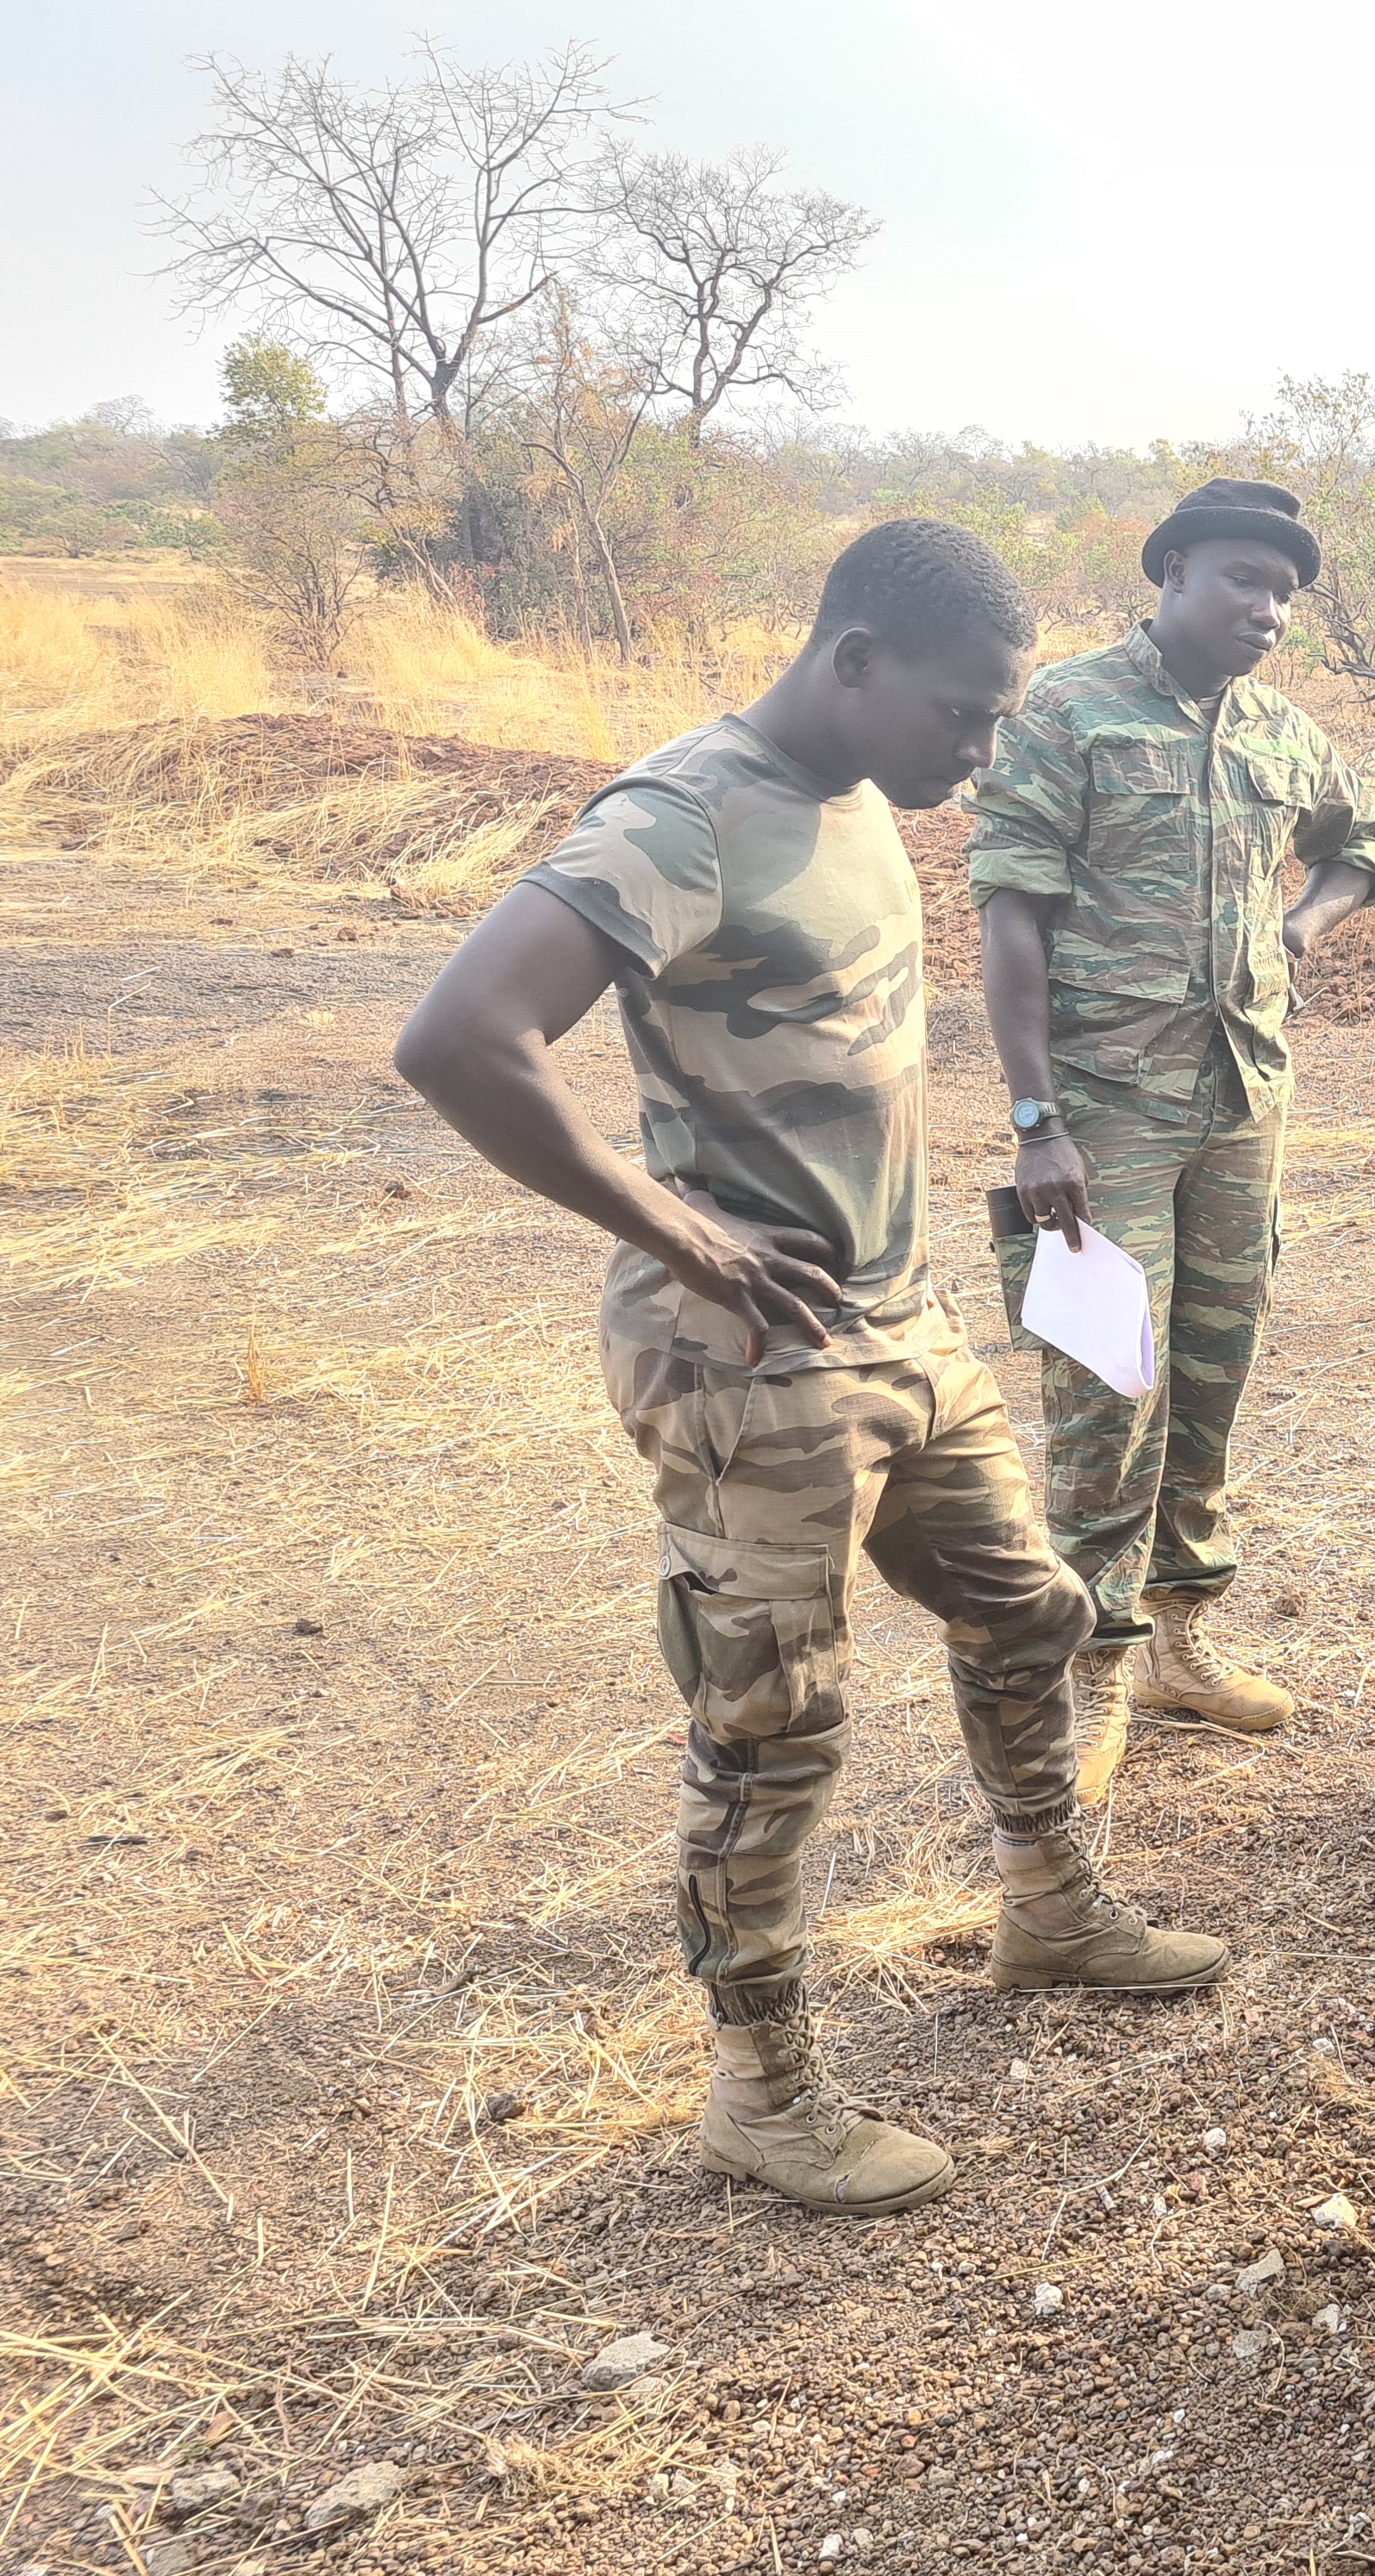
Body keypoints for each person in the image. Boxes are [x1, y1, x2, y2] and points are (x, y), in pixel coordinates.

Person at [394, 520, 1229, 2222]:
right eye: (961, 714)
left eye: (1000, 722)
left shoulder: (858, 799)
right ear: (852, 660)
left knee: (1037, 1612)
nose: (981, 754)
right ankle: (761, 2088)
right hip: (749, 1353)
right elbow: (458, 1037)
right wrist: (684, 1237)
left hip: (897, 1323)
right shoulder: (684, 815)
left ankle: (1047, 1904)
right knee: (774, 1722)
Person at [970, 477, 1375, 1791]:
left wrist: (1297, 929)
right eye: (1240, 580)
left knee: (1213, 1367)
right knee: (1106, 1385)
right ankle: (1090, 1665)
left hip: (1241, 1106)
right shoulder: (1072, 714)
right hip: (1104, 1113)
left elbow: (1362, 844)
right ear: (1169, 572)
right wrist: (1037, 1121)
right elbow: (1009, 921)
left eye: (1283, 593)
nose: (1266, 610)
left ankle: (1181, 1643)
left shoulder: (1281, 732)